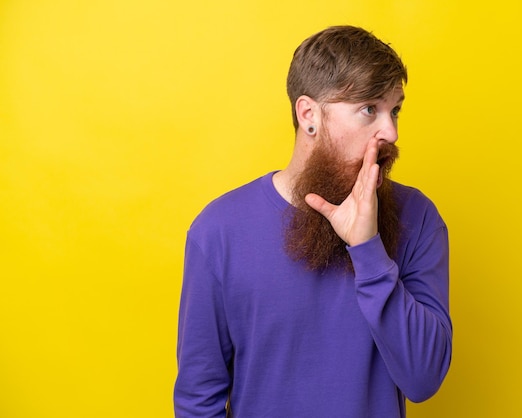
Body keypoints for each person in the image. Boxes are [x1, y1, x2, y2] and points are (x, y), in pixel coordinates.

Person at [174, 25, 452, 418]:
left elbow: (424, 379)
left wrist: (368, 250)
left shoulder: (418, 219)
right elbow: (197, 400)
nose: (390, 132)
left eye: (395, 110)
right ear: (308, 115)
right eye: (369, 109)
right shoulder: (218, 232)